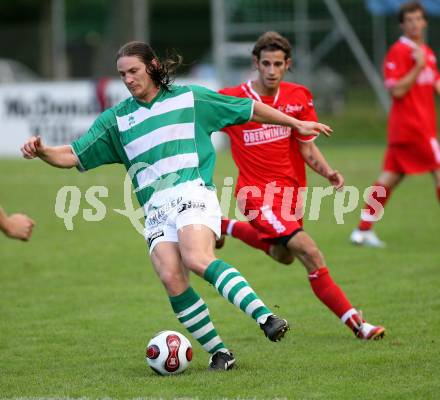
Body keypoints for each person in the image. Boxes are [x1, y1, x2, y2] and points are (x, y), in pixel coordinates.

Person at [20, 41, 333, 371]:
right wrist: (43, 151)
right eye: (122, 74)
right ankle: (220, 353)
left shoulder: (191, 98)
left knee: (196, 258)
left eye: (134, 71)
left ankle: (266, 317)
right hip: (154, 209)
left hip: (191, 192)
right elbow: (73, 155)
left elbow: (248, 109)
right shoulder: (117, 120)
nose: (127, 79)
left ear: (152, 66)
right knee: (171, 276)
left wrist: (295, 124)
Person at [217, 31, 385, 340]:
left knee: (285, 256)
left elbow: (307, 147)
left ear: (287, 65)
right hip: (255, 196)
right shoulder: (232, 98)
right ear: (255, 63)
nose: (271, 70)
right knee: (310, 251)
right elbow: (201, 122)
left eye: (277, 64)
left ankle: (224, 225)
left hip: (290, 197)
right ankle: (359, 326)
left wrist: (329, 172)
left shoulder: (299, 97)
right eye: (265, 63)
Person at [350, 1, 440, 247]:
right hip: (414, 127)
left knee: (389, 179)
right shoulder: (399, 52)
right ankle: (363, 230)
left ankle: (362, 230)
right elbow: (397, 91)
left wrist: (423, 63)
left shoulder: (427, 52)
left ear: (425, 22)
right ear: (402, 25)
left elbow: (436, 84)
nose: (414, 24)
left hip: (416, 129)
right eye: (409, 20)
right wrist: (417, 66)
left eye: (418, 19)